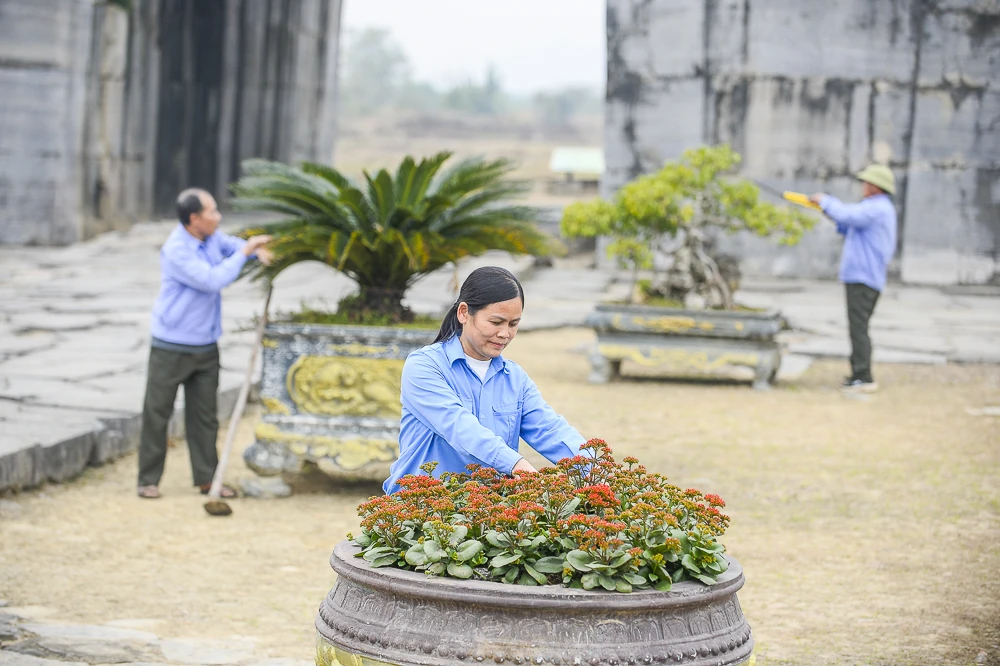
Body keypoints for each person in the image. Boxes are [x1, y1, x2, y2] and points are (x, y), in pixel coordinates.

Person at [383, 266, 585, 494]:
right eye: (496, 322)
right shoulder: (424, 367)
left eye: (513, 324)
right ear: (463, 313)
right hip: (422, 512)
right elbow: (461, 429)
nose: (505, 333)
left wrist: (599, 470)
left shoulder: (515, 378)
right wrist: (517, 466)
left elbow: (550, 429)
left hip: (490, 514)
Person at [137, 188, 273, 499]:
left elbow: (234, 244)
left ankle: (208, 479)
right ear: (194, 218)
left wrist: (255, 250)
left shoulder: (211, 238)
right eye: (212, 211)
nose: (218, 216)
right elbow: (212, 279)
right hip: (171, 343)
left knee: (204, 416)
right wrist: (244, 253)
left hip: (205, 344)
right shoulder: (177, 250)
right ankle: (148, 479)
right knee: (157, 413)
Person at [810, 164, 898, 394]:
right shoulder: (874, 209)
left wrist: (825, 201)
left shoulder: (877, 208)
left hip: (864, 278)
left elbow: (847, 214)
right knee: (857, 327)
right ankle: (858, 373)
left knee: (859, 328)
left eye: (867, 183)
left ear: (876, 187)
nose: (864, 187)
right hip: (862, 277)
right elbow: (845, 223)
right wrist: (826, 210)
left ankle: (863, 375)